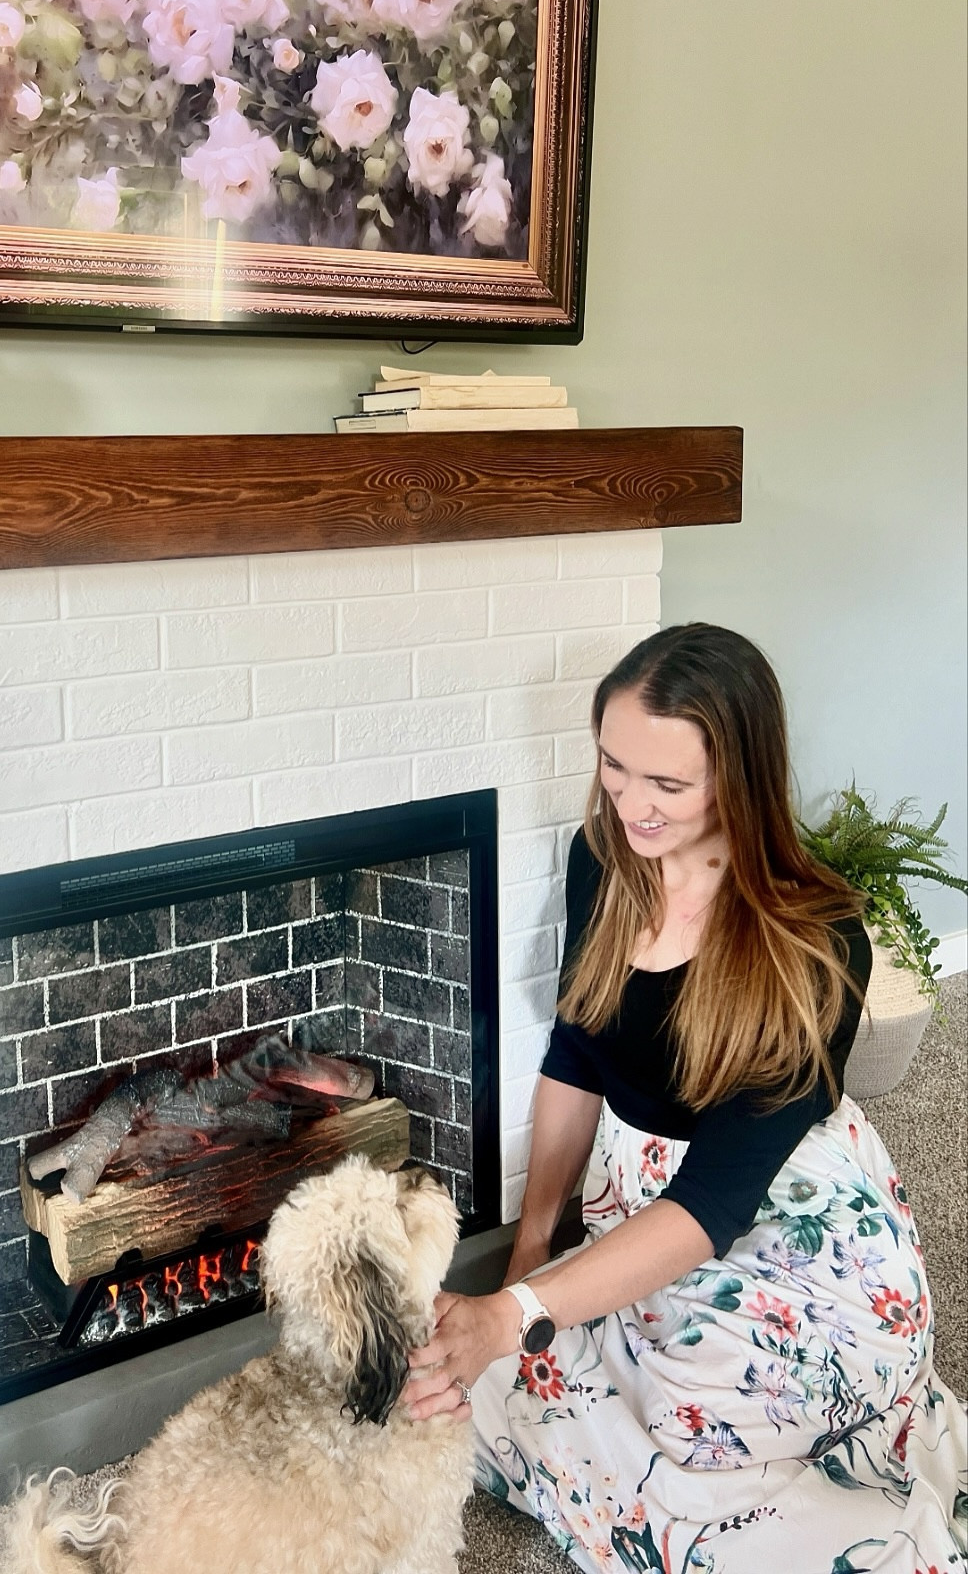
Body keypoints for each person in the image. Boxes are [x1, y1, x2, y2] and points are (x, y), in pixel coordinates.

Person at [405, 623, 967, 1571]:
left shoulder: (816, 945)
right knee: (503, 1381)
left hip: (775, 1225)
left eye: (667, 785)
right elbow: (578, 1051)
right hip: (642, 1202)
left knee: (691, 1448)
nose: (632, 804)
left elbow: (712, 1203)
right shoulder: (605, 860)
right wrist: (534, 1252)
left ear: (741, 781)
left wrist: (516, 1315)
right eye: (615, 767)